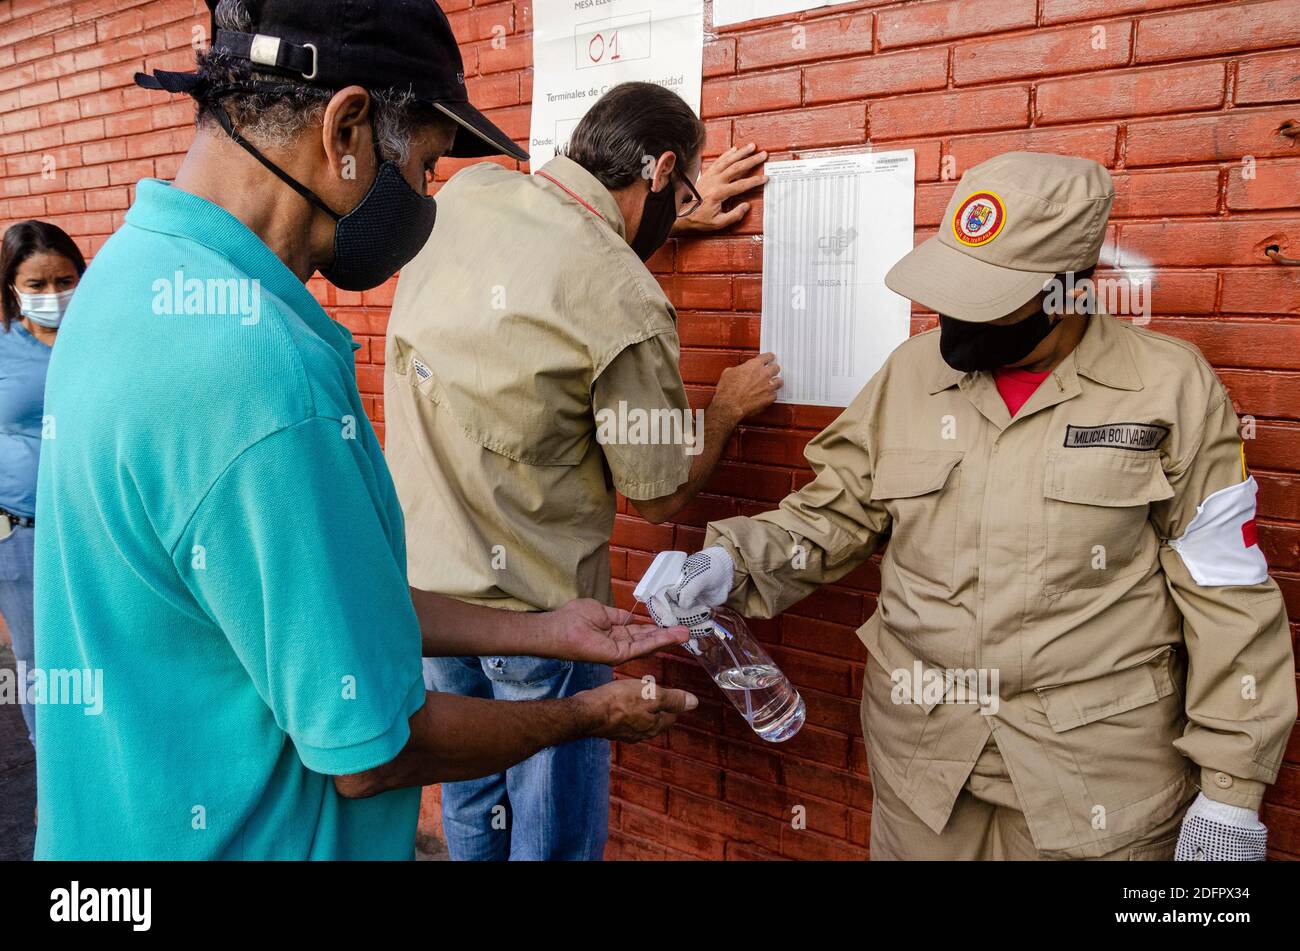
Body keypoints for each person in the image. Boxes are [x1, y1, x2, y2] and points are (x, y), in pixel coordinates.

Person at [33, 0, 694, 861]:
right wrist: (583, 714)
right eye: (421, 166)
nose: (423, 201)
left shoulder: (133, 270)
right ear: (346, 127)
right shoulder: (259, 376)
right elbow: (373, 753)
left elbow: (323, 610)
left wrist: (544, 629)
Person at [648, 152, 1297, 860]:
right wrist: (730, 562)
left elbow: (1227, 590)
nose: (955, 315)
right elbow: (835, 515)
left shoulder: (1168, 388)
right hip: (925, 770)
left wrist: (1232, 793)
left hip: (1094, 787)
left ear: (1065, 292)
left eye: (986, 295)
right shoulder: (910, 375)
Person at [384, 81, 780, 860]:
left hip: (426, 595)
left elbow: (553, 262)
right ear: (663, 169)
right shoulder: (626, 299)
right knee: (551, 831)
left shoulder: (471, 194)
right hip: (538, 621)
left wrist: (670, 223)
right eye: (685, 186)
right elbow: (662, 492)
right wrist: (726, 409)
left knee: (471, 798)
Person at [0, 221, 84, 764]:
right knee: (37, 661)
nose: (53, 294)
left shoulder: (100, 332)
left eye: (64, 279)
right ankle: (54, 778)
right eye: (37, 284)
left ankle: (102, 772)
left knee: (100, 652)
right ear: (11, 286)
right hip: (23, 536)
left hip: (90, 524)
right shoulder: (4, 346)